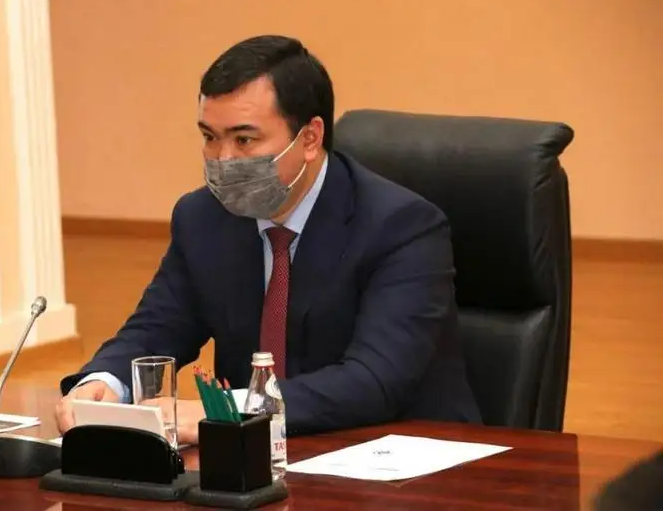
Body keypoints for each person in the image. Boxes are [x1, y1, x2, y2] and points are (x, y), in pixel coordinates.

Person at [56, 34, 481, 442]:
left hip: (405, 455)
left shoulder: (401, 226)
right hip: (261, 460)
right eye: (210, 137)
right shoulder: (203, 218)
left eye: (244, 139)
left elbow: (374, 381)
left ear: (309, 138)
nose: (223, 159)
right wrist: (104, 381)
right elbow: (157, 327)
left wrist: (226, 409)